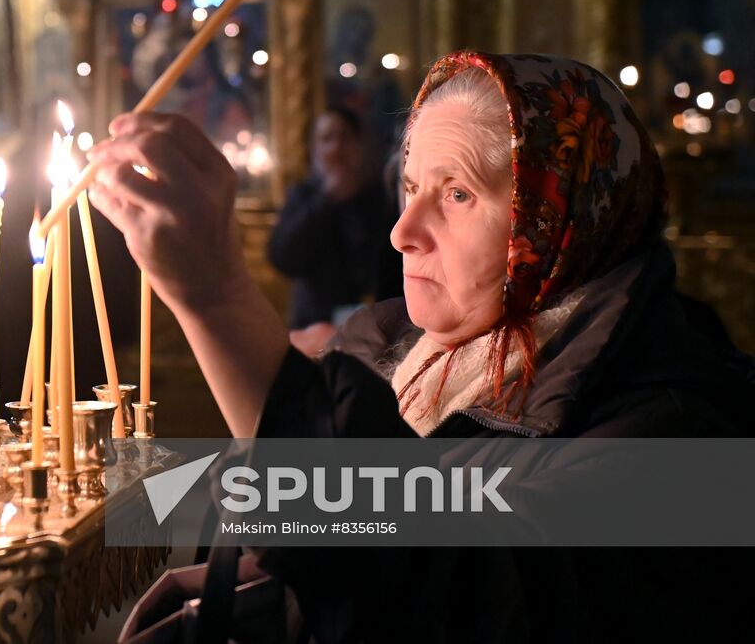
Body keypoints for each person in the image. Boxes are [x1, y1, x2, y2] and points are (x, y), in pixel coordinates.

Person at [89, 51, 755, 642]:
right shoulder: (384, 355)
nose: (403, 231)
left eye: (458, 193)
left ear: (560, 218)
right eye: (410, 188)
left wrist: (217, 295)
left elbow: (464, 590)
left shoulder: (680, 430)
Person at [266, 106, 400, 357]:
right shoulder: (303, 196)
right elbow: (282, 257)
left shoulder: (381, 199)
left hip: (376, 332)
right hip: (313, 330)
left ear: (359, 146)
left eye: (345, 138)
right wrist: (325, 201)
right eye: (327, 139)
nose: (336, 148)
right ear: (315, 148)